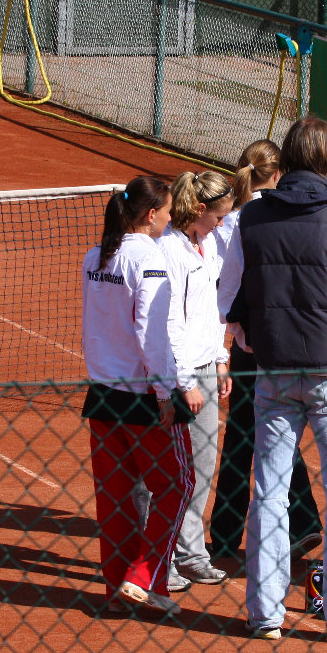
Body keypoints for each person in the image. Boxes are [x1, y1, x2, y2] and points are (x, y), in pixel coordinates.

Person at [217, 116, 327, 643]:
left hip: (273, 374)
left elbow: (229, 299)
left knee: (268, 493)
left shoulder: (248, 219)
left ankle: (264, 614)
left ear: (287, 159)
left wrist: (255, 344)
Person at [81, 175, 206, 617]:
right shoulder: (149, 259)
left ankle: (120, 587)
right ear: (151, 215)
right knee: (177, 486)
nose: (171, 218)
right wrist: (165, 391)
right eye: (169, 211)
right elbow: (151, 331)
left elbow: (98, 325)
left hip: (102, 396)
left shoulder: (95, 256)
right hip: (143, 398)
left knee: (114, 496)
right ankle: (145, 574)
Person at [209, 140, 324, 561]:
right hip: (285, 342)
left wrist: (229, 343)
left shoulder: (232, 221)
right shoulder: (276, 215)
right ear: (277, 174)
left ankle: (225, 536)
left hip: (246, 345)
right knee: (275, 431)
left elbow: (224, 288)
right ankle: (302, 523)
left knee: (246, 434)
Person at [158, 170, 236, 588]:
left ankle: (190, 552)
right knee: (169, 472)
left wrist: (222, 357)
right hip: (177, 373)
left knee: (203, 465)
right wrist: (183, 381)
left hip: (206, 366)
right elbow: (170, 323)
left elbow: (211, 311)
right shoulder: (168, 251)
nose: (222, 225)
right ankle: (161, 557)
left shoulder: (207, 245)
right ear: (200, 209)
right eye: (219, 217)